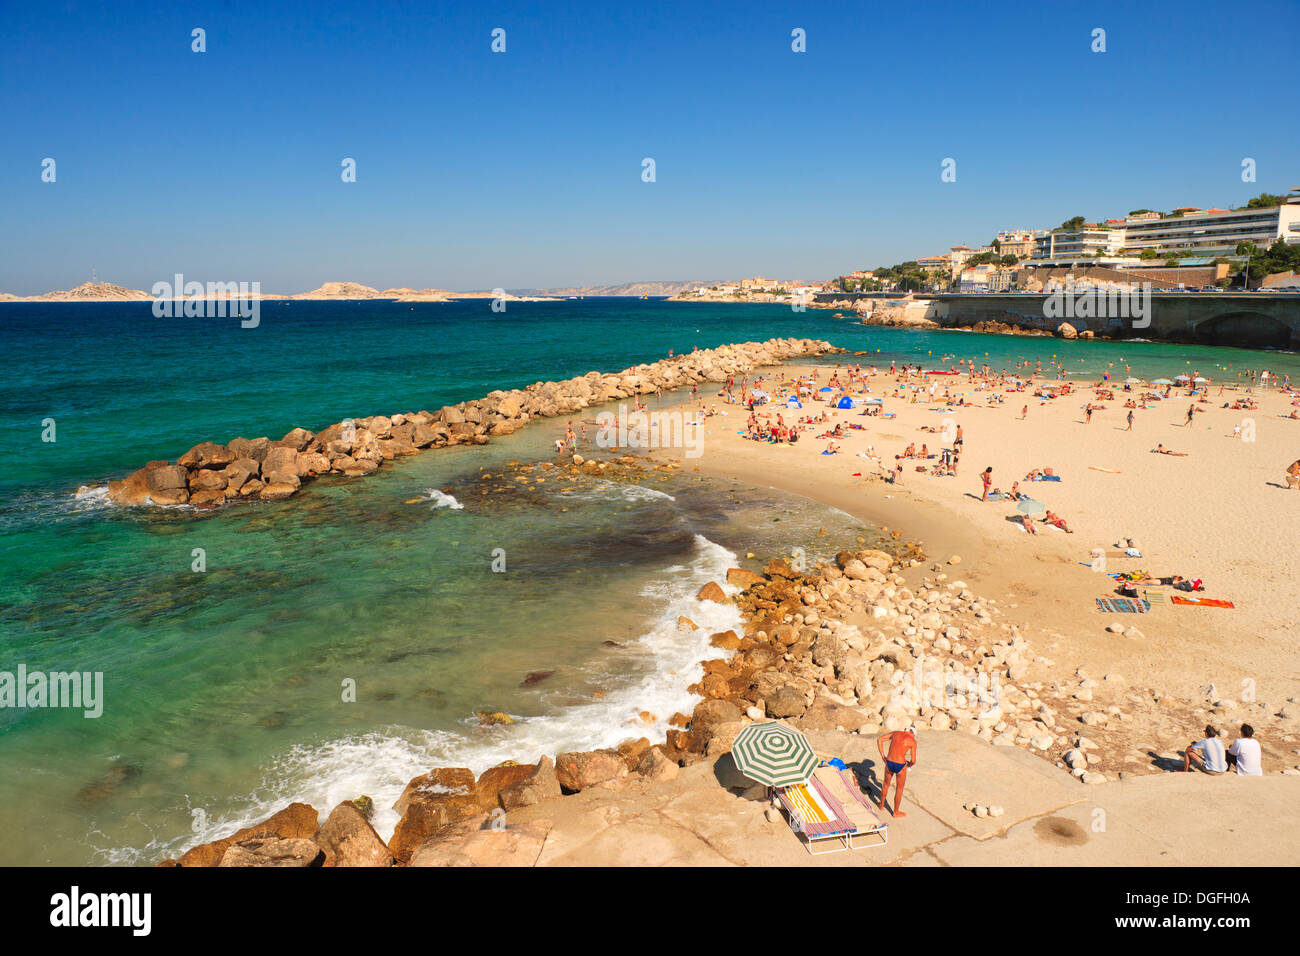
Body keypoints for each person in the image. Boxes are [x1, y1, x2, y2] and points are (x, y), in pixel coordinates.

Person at [876, 726, 917, 817]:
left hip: (889, 762)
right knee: (899, 789)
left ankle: (881, 805)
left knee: (886, 784)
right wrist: (909, 765)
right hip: (901, 765)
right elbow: (913, 760)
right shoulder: (912, 741)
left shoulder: (896, 733)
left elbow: (879, 740)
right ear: (913, 733)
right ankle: (895, 812)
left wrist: (883, 756)